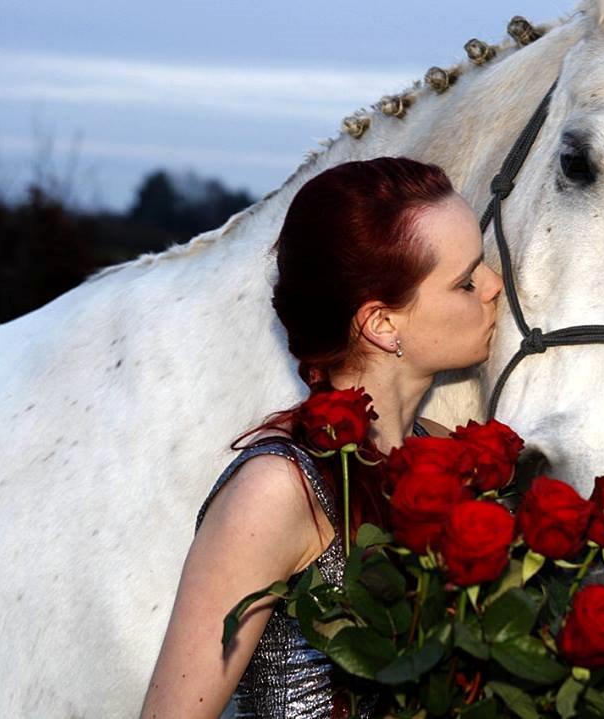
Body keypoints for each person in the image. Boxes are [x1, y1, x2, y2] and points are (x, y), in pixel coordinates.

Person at [140, 156, 504, 718]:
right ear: (382, 324)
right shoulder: (279, 490)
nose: (495, 286)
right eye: (466, 280)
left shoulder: (450, 457)